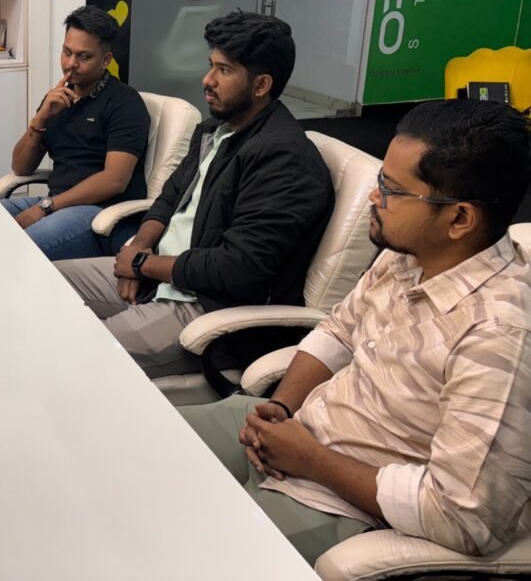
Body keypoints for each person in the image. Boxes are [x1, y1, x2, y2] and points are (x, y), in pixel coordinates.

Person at [178, 99, 531, 565]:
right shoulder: (409, 253)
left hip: (342, 499)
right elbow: (339, 334)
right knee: (140, 447)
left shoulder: (499, 335)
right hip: (299, 431)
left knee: (181, 550)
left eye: (392, 190)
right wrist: (282, 408)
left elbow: (463, 517)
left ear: (460, 219)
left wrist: (310, 460)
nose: (373, 198)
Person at [56, 11, 333, 377]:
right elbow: (169, 197)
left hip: (208, 309)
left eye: (224, 70)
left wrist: (141, 265)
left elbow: (239, 269)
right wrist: (141, 247)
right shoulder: (217, 130)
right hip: (161, 274)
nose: (207, 80)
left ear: (261, 85)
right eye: (210, 65)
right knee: (43, 286)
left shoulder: (284, 159)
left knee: (73, 352)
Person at [0, 4, 151, 260]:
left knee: (16, 248)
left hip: (104, 216)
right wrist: (41, 117)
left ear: (106, 60)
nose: (71, 64)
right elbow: (21, 167)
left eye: (84, 57)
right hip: (57, 204)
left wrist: (45, 208)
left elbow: (114, 180)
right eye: (67, 52)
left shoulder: (125, 103)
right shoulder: (58, 99)